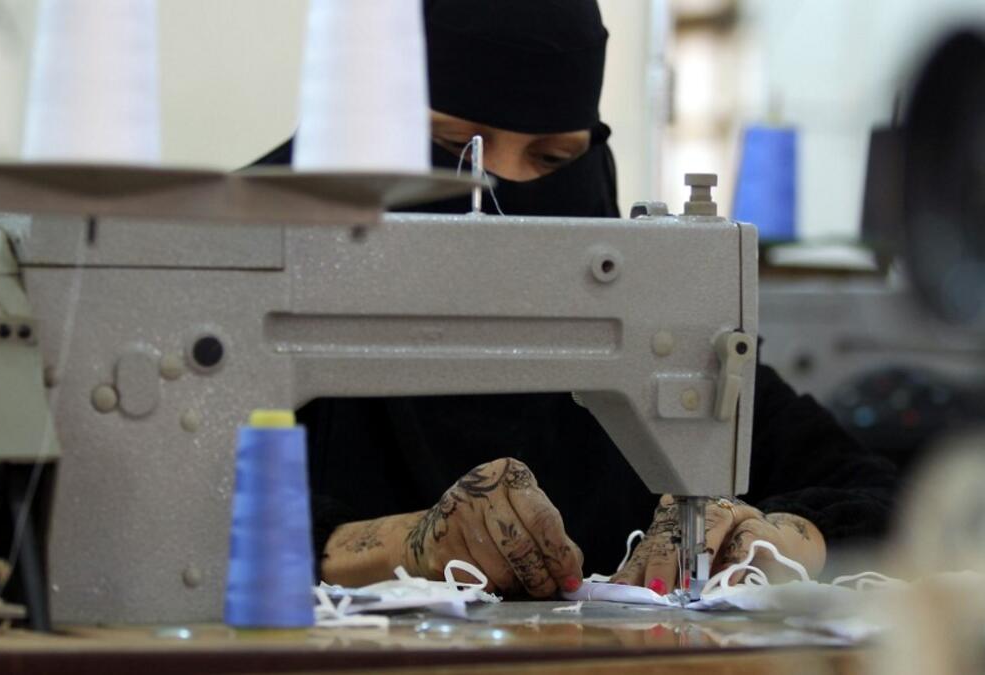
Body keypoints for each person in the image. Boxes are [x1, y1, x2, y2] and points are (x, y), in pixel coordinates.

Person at [253, 0, 896, 598]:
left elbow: (891, 498)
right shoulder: (242, 263)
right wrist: (402, 544)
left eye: (553, 157)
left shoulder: (637, 295)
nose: (502, 191)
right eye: (450, 148)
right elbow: (192, 518)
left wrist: (781, 537)